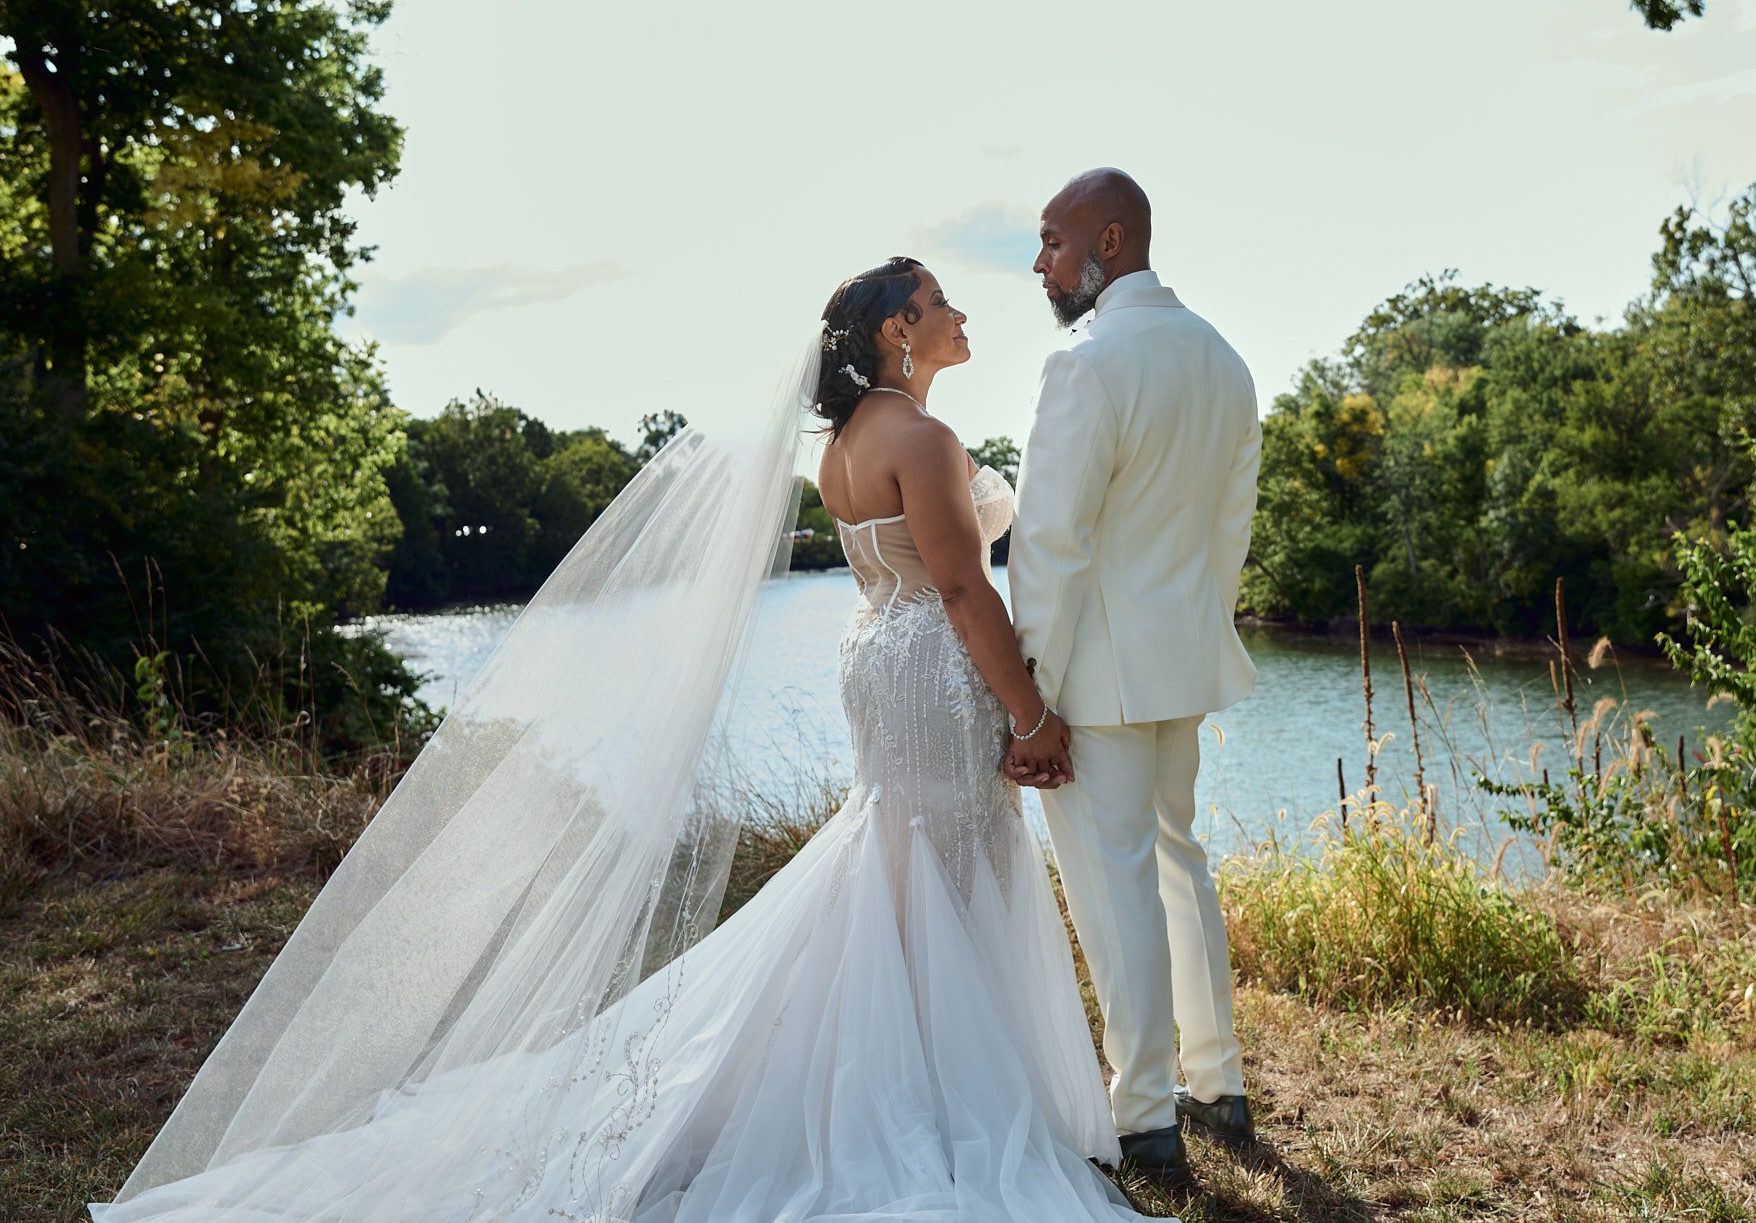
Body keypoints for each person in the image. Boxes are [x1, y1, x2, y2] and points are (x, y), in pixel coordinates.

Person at [91, 257, 1167, 1222]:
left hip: (874, 656)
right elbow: (963, 588)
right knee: (950, 859)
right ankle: (936, 1094)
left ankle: (919, 1070)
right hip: (930, 663)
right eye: (938, 303)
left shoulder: (846, 444)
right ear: (896, 330)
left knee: (900, 861)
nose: (959, 313)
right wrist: (1029, 715)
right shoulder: (922, 439)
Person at [1009, 169, 1263, 1187]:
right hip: (1179, 657)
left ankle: (1146, 1115)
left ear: (1107, 242)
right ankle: (1218, 1082)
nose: (1041, 264)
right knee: (1176, 863)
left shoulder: (1086, 364)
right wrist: (1194, 629)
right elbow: (1227, 532)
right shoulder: (1223, 358)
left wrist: (1030, 696)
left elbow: (1050, 545)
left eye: (1052, 243)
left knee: (1117, 886)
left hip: (1096, 677)